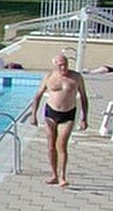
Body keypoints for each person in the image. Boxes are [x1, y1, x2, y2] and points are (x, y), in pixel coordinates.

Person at [28, 53, 89, 188]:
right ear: (55, 65)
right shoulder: (49, 77)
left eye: (65, 64)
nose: (63, 67)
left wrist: (84, 118)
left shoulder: (76, 77)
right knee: (51, 146)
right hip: (51, 113)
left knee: (61, 145)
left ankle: (62, 176)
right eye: (60, 65)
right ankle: (54, 174)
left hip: (68, 115)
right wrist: (33, 115)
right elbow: (37, 96)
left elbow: (84, 97)